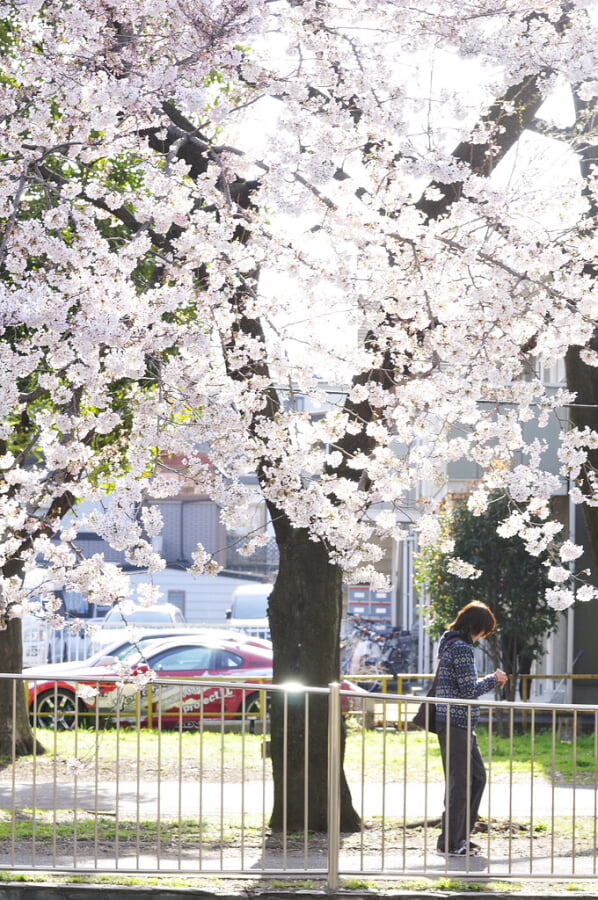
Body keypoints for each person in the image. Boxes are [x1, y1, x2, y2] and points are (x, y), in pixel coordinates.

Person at [435, 600, 508, 857]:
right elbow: (469, 690)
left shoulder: (448, 643)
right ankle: (452, 844)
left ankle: (457, 838)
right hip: (456, 723)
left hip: (459, 724)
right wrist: (494, 679)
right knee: (461, 784)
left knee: (476, 778)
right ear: (476, 626)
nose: (483, 637)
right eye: (484, 631)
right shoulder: (462, 648)